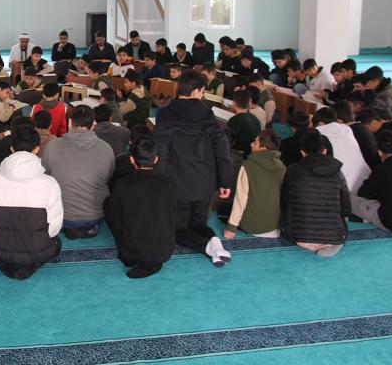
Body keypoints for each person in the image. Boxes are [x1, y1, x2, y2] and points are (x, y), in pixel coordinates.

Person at [153, 70, 233, 266]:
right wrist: (225, 181)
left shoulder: (164, 114)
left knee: (177, 229)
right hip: (205, 181)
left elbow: (160, 153)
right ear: (196, 91)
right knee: (198, 222)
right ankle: (214, 242)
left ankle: (207, 246)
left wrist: (158, 182)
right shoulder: (208, 114)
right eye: (203, 91)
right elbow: (222, 151)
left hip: (177, 182)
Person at [0, 123, 63, 280]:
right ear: (36, 149)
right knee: (57, 243)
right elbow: (53, 230)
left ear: (12, 149)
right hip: (37, 253)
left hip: (0, 252)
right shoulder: (50, 183)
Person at [104, 135, 176, 279]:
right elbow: (173, 215)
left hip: (132, 250)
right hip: (164, 248)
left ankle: (144, 261)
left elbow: (114, 217)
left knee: (108, 205)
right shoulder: (168, 183)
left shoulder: (123, 184)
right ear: (156, 159)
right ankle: (146, 258)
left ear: (131, 160)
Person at [42, 105, 115, 239]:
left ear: (70, 122)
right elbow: (108, 177)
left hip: (61, 214)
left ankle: (67, 228)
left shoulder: (52, 146)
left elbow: (44, 177)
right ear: (93, 125)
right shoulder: (106, 148)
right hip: (96, 214)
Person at [281, 130, 350, 257]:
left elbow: (284, 202)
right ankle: (327, 243)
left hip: (299, 234)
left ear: (302, 152)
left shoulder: (292, 169)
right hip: (333, 235)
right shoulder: (337, 171)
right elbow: (346, 206)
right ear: (325, 151)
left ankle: (310, 242)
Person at [223, 130, 286, 239]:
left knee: (222, 209)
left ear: (263, 148)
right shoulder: (282, 167)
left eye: (255, 143)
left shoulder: (248, 166)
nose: (251, 144)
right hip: (274, 226)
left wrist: (231, 228)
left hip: (253, 226)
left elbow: (240, 199)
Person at [312, 107, 371, 193]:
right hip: (364, 180)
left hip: (344, 186)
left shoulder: (319, 133)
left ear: (320, 123)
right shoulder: (347, 130)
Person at [227, 90, 262, 158]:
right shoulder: (254, 118)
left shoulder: (234, 120)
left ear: (234, 103)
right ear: (249, 102)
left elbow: (228, 141)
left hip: (238, 155)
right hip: (252, 154)